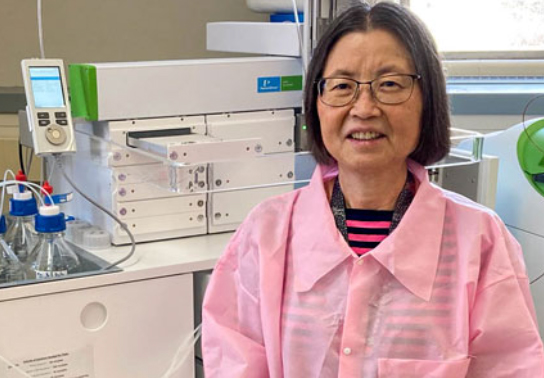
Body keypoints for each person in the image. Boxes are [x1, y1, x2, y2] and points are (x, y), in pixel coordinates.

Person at [201, 2, 544, 377]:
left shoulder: (480, 241)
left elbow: (511, 368)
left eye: (390, 85)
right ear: (316, 104)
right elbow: (235, 365)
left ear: (427, 102)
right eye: (343, 86)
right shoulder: (266, 234)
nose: (364, 108)